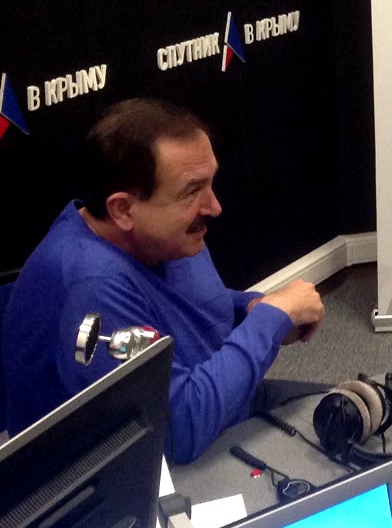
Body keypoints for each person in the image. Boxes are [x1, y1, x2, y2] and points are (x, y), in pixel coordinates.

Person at [2, 98, 326, 463]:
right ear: (123, 209)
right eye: (191, 191)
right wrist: (270, 319)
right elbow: (179, 431)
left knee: (358, 419)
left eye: (210, 183)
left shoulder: (164, 236)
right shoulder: (91, 286)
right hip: (144, 461)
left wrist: (250, 308)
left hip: (212, 396)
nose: (214, 206)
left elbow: (192, 304)